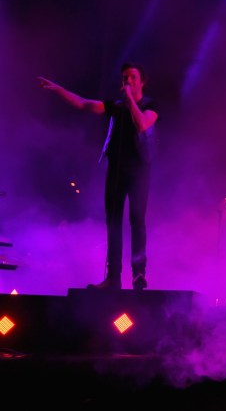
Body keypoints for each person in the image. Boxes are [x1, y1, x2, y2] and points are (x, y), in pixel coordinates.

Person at [37, 62, 158, 290]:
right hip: (116, 170)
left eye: (132, 77)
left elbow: (142, 124)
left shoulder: (150, 105)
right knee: (113, 223)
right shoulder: (115, 106)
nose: (128, 81)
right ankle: (113, 278)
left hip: (139, 170)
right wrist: (59, 90)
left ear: (142, 81)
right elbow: (84, 104)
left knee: (136, 220)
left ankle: (139, 274)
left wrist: (131, 100)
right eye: (125, 78)